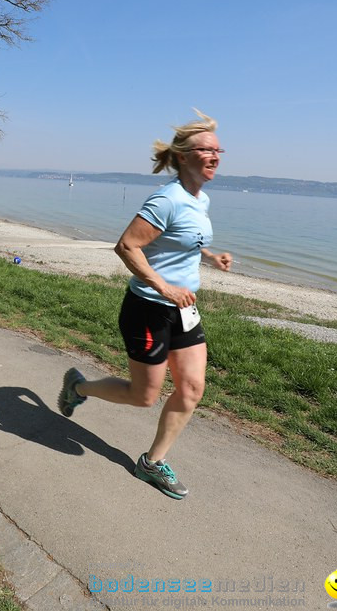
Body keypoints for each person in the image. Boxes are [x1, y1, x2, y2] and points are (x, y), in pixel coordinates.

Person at [57, 110, 232, 500]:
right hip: (148, 309)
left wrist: (210, 258)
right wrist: (163, 286)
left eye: (219, 149)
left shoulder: (199, 199)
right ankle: (78, 387)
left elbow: (185, 242)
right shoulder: (166, 199)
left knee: (191, 389)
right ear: (184, 156)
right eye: (207, 150)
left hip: (184, 310)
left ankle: (151, 463)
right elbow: (127, 246)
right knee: (145, 396)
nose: (216, 156)